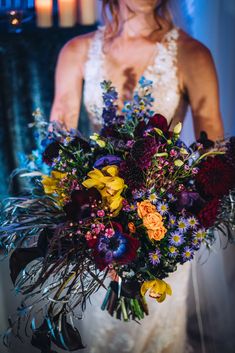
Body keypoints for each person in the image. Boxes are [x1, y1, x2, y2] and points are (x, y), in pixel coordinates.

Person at [50, 1, 224, 352]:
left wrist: (172, 220)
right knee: (97, 335)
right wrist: (82, 213)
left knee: (157, 336)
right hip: (97, 234)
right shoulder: (76, 51)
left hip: (163, 229)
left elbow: (214, 155)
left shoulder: (193, 54)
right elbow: (58, 140)